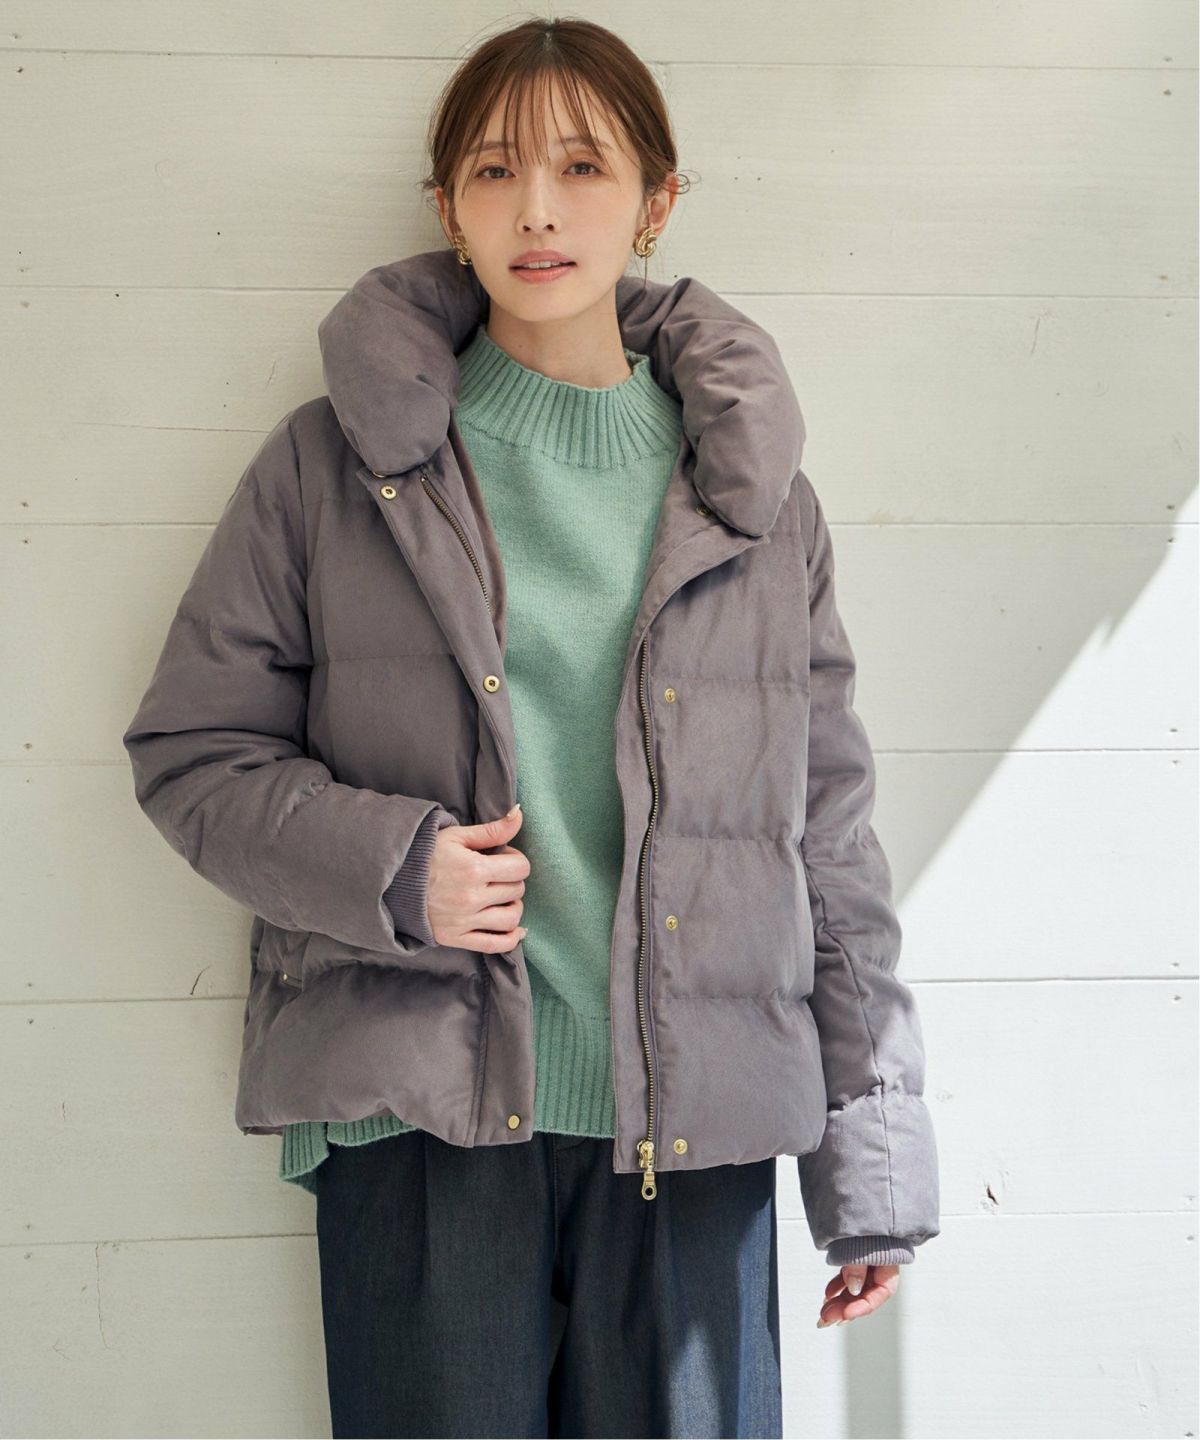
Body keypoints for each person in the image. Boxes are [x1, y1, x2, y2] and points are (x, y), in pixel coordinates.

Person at [122, 16, 940, 1439]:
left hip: (696, 1134)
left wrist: (869, 1172)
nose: (539, 211)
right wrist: (397, 870)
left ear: (656, 200)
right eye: (496, 172)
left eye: (583, 166)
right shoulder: (332, 467)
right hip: (422, 1123)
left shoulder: (756, 499)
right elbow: (193, 753)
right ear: (449, 207)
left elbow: (827, 841)